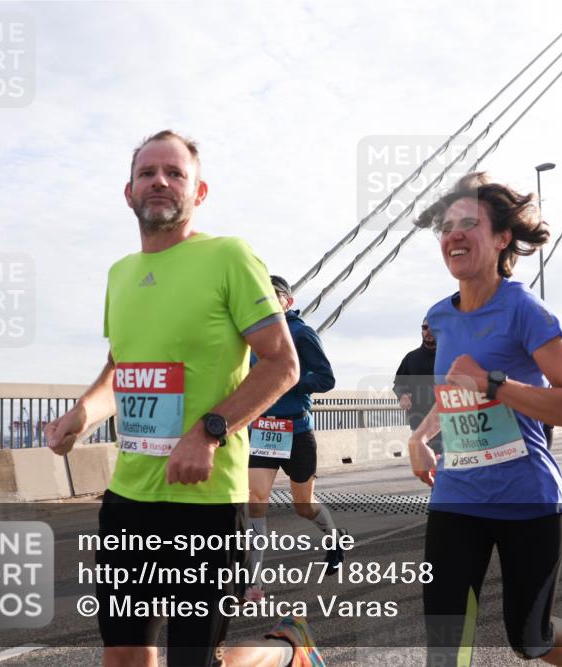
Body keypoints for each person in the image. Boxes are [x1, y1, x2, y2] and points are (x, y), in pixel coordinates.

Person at [44, 130, 304, 667]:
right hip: (129, 498)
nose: (159, 181)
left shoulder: (229, 256)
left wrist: (208, 432)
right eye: (147, 173)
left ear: (199, 191)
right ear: (129, 192)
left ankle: (285, 652)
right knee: (122, 654)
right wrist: (83, 414)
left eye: (175, 173)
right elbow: (121, 368)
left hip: (205, 502)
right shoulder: (120, 274)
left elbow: (282, 364)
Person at [407, 173, 562, 666]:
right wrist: (420, 438)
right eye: (447, 227)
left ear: (502, 238)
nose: (454, 234)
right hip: (457, 497)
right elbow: (454, 393)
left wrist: (494, 384)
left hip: (527, 500)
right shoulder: (441, 316)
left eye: (470, 223)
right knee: (444, 645)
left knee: (529, 640)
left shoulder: (524, 309)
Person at [247, 275, 343, 601]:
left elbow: (326, 378)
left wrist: (289, 381)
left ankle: (333, 538)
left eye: (273, 294)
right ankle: (254, 582)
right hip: (264, 429)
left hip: (297, 430)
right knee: (255, 500)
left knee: (304, 505)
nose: (266, 298)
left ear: (287, 301)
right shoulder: (252, 337)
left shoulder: (302, 333)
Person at [394, 319, 441, 453]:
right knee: (425, 464)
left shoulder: (449, 356)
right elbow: (399, 383)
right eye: (425, 327)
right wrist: (402, 395)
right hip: (419, 423)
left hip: (448, 423)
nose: (428, 331)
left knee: (446, 463)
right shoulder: (411, 358)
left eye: (432, 327)